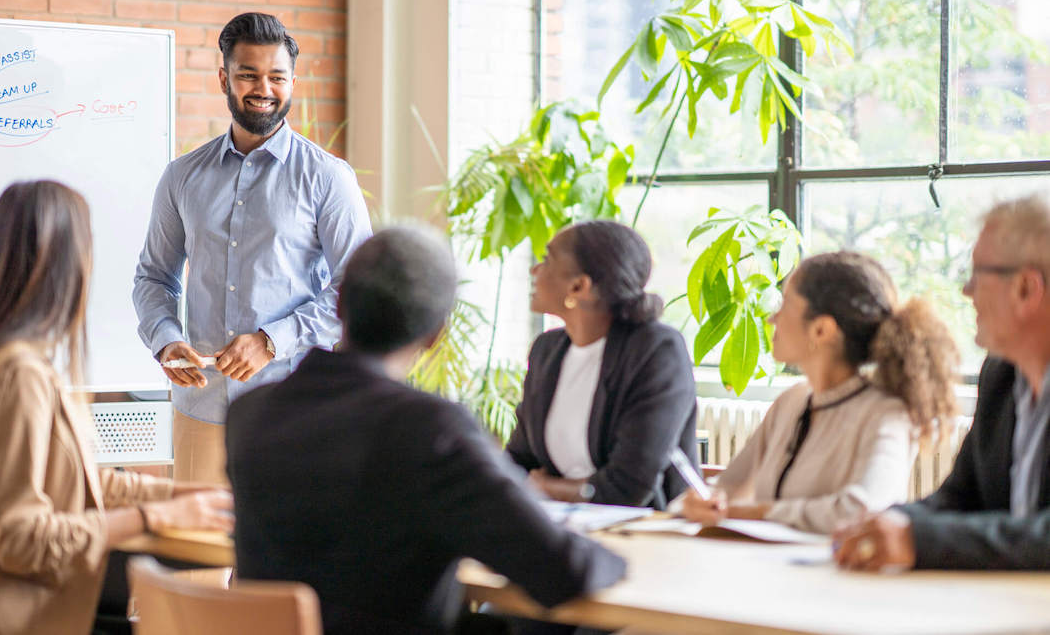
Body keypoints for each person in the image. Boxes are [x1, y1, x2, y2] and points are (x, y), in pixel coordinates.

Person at [226, 226, 626, 635]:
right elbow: (561, 570)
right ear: (436, 334)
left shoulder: (248, 415)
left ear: (340, 304)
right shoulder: (429, 429)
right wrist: (626, 559)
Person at [0, 181, 233, 635]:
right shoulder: (17, 375)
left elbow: (67, 478)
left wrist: (180, 497)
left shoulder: (7, 358)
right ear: (59, 264)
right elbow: (21, 540)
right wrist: (152, 518)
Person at [133, 12, 372, 484]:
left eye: (276, 77)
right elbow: (154, 278)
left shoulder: (327, 178)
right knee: (197, 555)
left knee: (288, 558)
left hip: (295, 412)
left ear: (292, 82)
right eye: (248, 75)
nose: (263, 88)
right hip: (200, 410)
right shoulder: (182, 177)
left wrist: (271, 341)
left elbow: (359, 291)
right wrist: (164, 339)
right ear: (224, 78)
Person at [835, 195, 1050, 570]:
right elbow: (960, 498)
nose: (967, 291)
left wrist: (920, 540)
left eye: (978, 275)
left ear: (1026, 289)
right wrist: (893, 522)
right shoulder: (1000, 375)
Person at [677, 251, 960, 534]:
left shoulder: (887, 414)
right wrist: (698, 502)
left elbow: (863, 511)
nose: (772, 318)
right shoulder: (790, 402)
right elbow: (727, 489)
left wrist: (756, 513)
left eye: (785, 304)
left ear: (822, 330)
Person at [505, 220, 698, 509]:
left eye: (546, 260)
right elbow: (519, 460)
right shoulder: (547, 351)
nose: (535, 270)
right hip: (561, 527)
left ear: (579, 286)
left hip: (647, 532)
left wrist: (545, 487)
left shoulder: (657, 350)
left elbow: (629, 487)